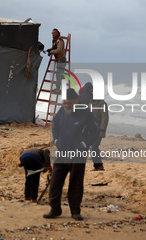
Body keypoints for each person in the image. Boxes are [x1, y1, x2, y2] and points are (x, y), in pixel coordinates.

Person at [44, 88, 99, 220]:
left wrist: (85, 144)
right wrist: (56, 139)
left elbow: (95, 130)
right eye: (65, 103)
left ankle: (75, 211)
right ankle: (55, 209)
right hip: (62, 152)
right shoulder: (62, 111)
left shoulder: (86, 112)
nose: (67, 105)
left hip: (78, 154)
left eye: (69, 103)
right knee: (55, 181)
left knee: (76, 183)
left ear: (76, 100)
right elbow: (55, 125)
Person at [79, 82, 109, 171]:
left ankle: (99, 166)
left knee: (94, 147)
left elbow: (105, 118)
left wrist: (102, 130)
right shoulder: (90, 103)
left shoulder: (102, 104)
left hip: (98, 130)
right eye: (92, 92)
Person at [46, 28, 66, 93]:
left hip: (61, 60)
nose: (53, 34)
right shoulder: (55, 40)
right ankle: (62, 89)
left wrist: (51, 52)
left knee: (59, 75)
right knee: (61, 75)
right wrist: (49, 50)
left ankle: (58, 89)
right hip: (59, 60)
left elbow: (59, 50)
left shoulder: (59, 40)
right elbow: (54, 48)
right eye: (52, 33)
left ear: (57, 33)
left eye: (54, 33)